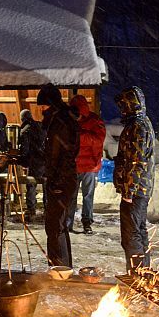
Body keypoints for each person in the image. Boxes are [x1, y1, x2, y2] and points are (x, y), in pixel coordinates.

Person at [37, 84, 79, 267]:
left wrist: (58, 181)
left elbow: (66, 155)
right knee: (56, 225)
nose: (42, 110)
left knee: (55, 226)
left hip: (62, 180)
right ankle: (60, 267)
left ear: (52, 104)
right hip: (59, 179)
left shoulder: (62, 122)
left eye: (44, 106)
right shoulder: (58, 120)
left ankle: (60, 268)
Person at [114, 86, 155, 271]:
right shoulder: (141, 123)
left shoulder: (138, 127)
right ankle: (143, 272)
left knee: (131, 235)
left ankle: (137, 274)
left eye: (123, 105)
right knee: (138, 232)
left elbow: (136, 161)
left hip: (136, 190)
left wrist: (129, 190)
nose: (121, 109)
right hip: (139, 189)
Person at [67, 95, 106, 235]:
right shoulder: (70, 120)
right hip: (75, 165)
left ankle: (87, 222)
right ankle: (68, 223)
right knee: (71, 196)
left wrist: (79, 136)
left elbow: (98, 140)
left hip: (89, 166)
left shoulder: (94, 121)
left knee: (87, 196)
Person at [18, 109, 46, 219]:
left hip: (34, 161)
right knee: (46, 185)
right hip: (46, 160)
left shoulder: (25, 130)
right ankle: (47, 209)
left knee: (31, 185)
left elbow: (24, 150)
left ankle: (31, 210)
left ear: (22, 119)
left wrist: (22, 161)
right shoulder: (41, 126)